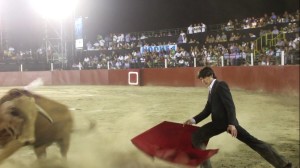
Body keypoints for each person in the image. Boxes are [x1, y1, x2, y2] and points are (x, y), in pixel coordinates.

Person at [183, 67, 292, 168]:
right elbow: (207, 110)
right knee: (198, 137)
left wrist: (232, 124)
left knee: (252, 141)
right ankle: (282, 164)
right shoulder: (212, 89)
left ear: (210, 75)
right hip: (219, 124)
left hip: (225, 123)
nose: (202, 81)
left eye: (203, 78)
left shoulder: (221, 85)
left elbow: (230, 105)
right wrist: (193, 120)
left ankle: (282, 164)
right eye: (201, 79)